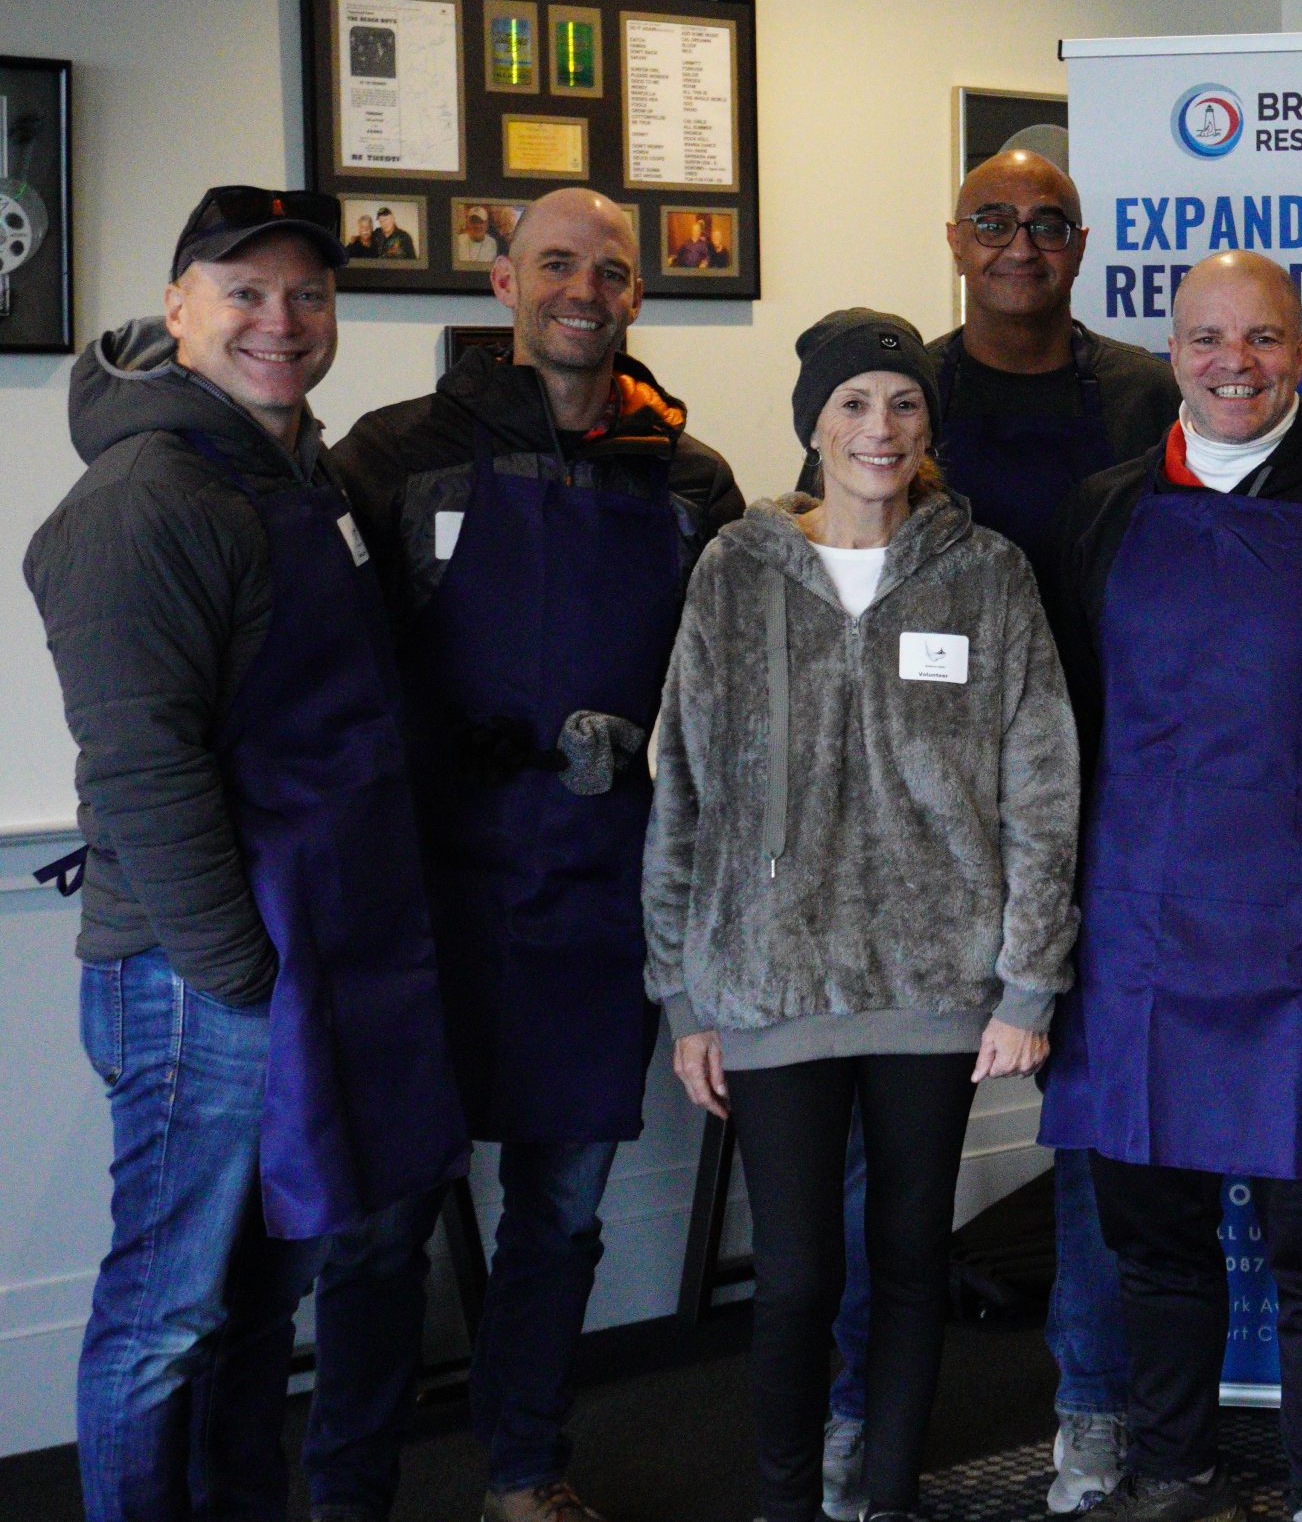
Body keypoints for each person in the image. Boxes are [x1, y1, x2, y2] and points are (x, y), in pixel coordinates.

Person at [25, 186, 469, 1521]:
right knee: (164, 1314)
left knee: (259, 1300)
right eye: (245, 292)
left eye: (308, 294)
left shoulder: (305, 476)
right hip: (197, 977)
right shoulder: (141, 500)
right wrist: (240, 980)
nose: (282, 320)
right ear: (178, 308)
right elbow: (143, 767)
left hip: (304, 958)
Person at [307, 188, 742, 1522]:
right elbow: (324, 667)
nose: (582, 291)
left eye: (609, 271)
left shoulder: (688, 480)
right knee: (381, 1221)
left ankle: (524, 1471)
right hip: (422, 896)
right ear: (502, 283)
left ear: (636, 296)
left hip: (596, 894)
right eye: (555, 264)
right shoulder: (394, 454)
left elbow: (728, 694)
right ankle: (347, 1492)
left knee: (558, 1214)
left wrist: (646, 746)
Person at [1041, 251, 1302, 1522]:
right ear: (1172, 353)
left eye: (1264, 339)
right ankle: (1173, 1473)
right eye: (1209, 339)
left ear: (1301, 350)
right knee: (1153, 1245)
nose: (1236, 364)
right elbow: (1052, 734)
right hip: (1133, 940)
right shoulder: (1103, 514)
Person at [644, 308, 1083, 1522]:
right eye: (852, 404)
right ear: (813, 426)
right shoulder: (736, 573)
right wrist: (682, 994)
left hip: (936, 988)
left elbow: (1042, 786)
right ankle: (787, 1502)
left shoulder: (987, 574)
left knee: (905, 1262)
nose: (879, 428)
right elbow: (681, 788)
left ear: (928, 427)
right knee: (793, 1279)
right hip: (769, 984)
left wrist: (1029, 982)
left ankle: (886, 1496)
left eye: (902, 404)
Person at [814, 148, 1178, 1519]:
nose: (1020, 243)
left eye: (1046, 223)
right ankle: (856, 1413)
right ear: (955, 240)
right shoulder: (904, 394)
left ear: (1079, 244)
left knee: (1094, 1136)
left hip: (1117, 804)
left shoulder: (1145, 393)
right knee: (889, 1158)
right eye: (993, 221)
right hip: (924, 830)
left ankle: (1093, 1409)